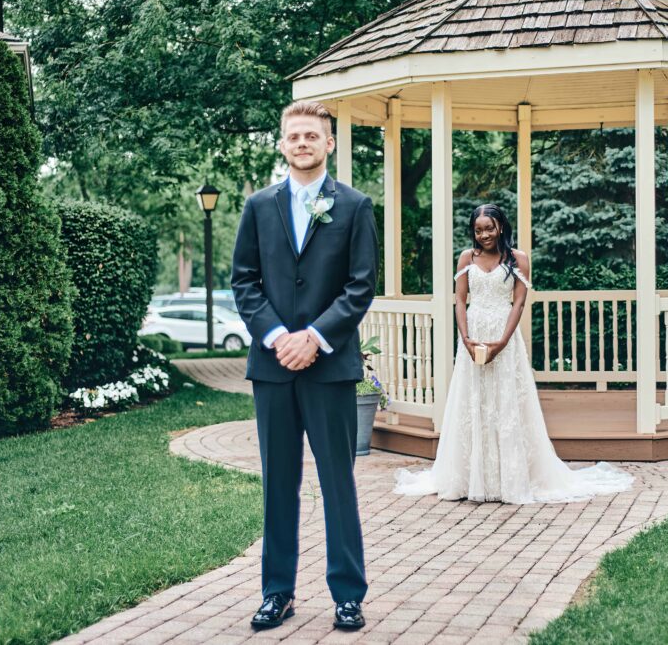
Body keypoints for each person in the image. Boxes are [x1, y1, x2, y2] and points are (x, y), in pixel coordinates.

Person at [231, 101, 377, 630]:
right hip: (272, 368)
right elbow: (244, 281)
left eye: (312, 135)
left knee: (338, 481)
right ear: (282, 143)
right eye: (293, 136)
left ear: (329, 143)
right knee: (278, 483)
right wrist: (276, 337)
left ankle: (347, 593)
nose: (302, 143)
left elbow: (360, 286)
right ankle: (278, 592)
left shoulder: (356, 206)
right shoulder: (258, 206)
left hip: (329, 367)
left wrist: (314, 338)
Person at [394, 204, 634, 504]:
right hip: (473, 335)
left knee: (506, 403)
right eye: (478, 230)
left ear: (501, 227)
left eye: (489, 228)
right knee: (473, 402)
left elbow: (518, 304)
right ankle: (470, 478)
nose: (484, 235)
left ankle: (509, 478)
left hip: (504, 336)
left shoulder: (518, 259)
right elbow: (459, 299)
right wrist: (465, 338)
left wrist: (502, 342)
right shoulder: (467, 258)